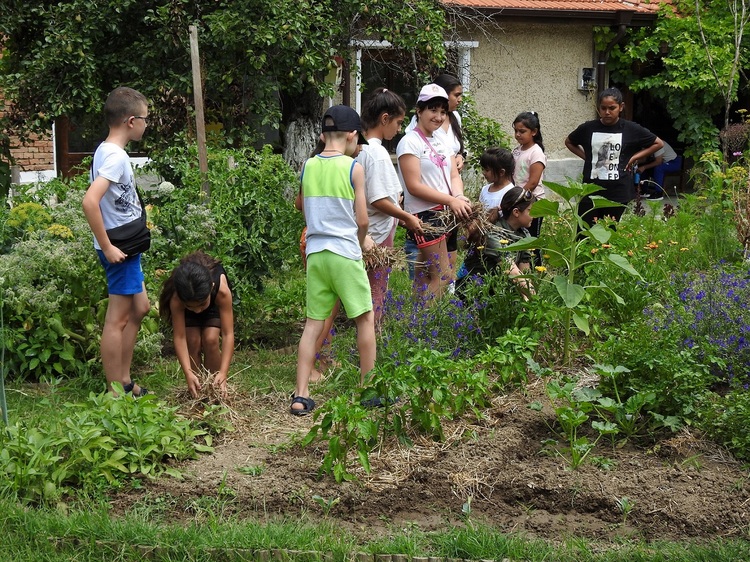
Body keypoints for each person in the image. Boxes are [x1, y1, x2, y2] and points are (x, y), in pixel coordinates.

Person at [292, 105, 376, 416]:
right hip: (344, 252)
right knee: (364, 318)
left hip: (316, 254)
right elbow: (363, 220)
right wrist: (357, 242)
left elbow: (303, 206)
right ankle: (368, 390)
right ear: (352, 135)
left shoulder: (309, 165)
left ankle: (301, 395)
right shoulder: (353, 167)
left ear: (324, 134)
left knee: (314, 324)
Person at [82, 86, 151, 396]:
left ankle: (124, 380)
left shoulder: (105, 150)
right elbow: (89, 202)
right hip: (119, 249)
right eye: (146, 119)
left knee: (140, 308)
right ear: (131, 121)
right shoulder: (115, 157)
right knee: (117, 319)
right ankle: (115, 391)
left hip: (127, 245)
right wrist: (108, 247)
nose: (148, 125)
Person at [397, 84, 472, 299]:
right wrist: (451, 200)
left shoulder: (441, 140)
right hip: (427, 215)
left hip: (446, 212)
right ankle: (424, 324)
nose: (438, 117)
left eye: (442, 111)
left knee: (422, 276)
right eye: (433, 110)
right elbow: (414, 186)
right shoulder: (409, 142)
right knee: (443, 275)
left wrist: (458, 196)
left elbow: (454, 175)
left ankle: (414, 320)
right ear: (419, 111)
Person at [358, 87, 423, 326]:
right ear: (384, 119)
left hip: (369, 231)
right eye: (397, 122)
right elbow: (378, 199)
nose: (398, 129)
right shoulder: (376, 153)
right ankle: (372, 339)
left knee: (366, 287)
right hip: (377, 232)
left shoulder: (360, 148)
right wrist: (407, 217)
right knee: (377, 289)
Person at [564, 87, 663, 226]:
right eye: (603, 108)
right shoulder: (588, 128)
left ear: (621, 107)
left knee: (609, 231)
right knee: (584, 230)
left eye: (612, 108)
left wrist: (634, 158)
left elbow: (658, 143)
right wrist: (587, 157)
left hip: (618, 191)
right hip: (590, 189)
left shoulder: (630, 129)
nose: (607, 112)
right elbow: (569, 141)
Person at [158, 251, 234, 398]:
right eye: (193, 307)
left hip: (212, 303)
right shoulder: (177, 297)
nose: (198, 311)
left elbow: (228, 334)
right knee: (192, 341)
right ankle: (196, 388)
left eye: (200, 305)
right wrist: (187, 373)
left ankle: (215, 387)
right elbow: (179, 337)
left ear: (211, 287)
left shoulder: (220, 290)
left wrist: (224, 372)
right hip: (191, 298)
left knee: (210, 339)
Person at [460, 186, 536, 300]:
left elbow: (524, 273)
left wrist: (528, 301)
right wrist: (536, 301)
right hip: (474, 292)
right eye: (531, 211)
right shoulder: (493, 234)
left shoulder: (524, 234)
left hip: (497, 292)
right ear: (516, 212)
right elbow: (512, 271)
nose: (535, 215)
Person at [512, 112, 546, 264]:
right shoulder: (517, 150)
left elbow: (532, 182)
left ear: (534, 132)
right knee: (518, 236)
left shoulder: (536, 152)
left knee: (532, 239)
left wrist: (519, 199)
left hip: (533, 202)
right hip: (518, 200)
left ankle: (536, 269)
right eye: (516, 131)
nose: (518, 134)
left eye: (522, 131)